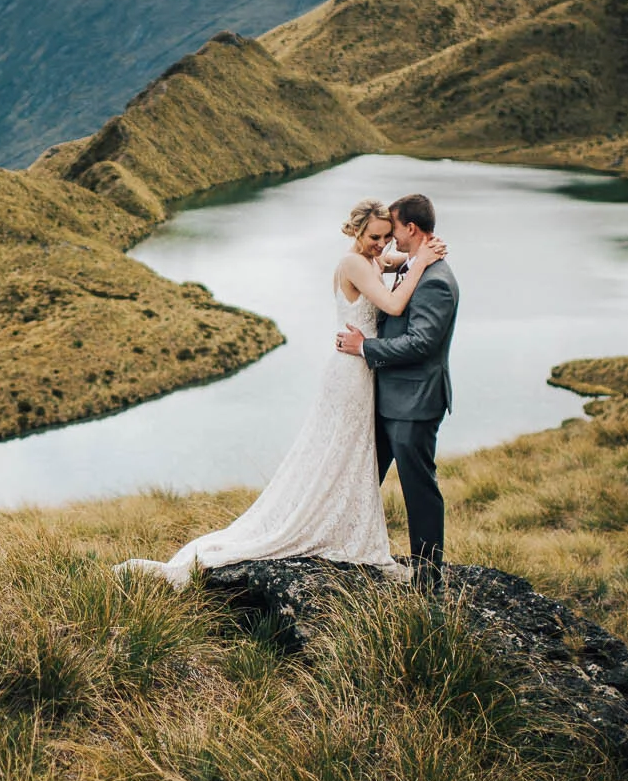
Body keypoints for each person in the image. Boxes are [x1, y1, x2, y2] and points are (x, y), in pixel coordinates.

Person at [116, 198, 445, 589]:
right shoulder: (355, 262)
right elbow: (392, 301)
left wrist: (411, 255)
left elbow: (393, 263)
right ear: (357, 232)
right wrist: (422, 262)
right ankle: (323, 526)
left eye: (387, 236)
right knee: (340, 450)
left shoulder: (373, 259)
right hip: (351, 372)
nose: (382, 244)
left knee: (351, 454)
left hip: (363, 369)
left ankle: (341, 524)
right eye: (375, 237)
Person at [337, 192, 459, 589]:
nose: (388, 240)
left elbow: (421, 343)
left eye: (394, 231)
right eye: (379, 235)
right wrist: (414, 259)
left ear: (411, 228)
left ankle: (428, 576)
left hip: (415, 404)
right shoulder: (411, 264)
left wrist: (365, 348)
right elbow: (391, 267)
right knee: (360, 476)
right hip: (384, 397)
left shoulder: (437, 281)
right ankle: (346, 547)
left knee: (418, 489)